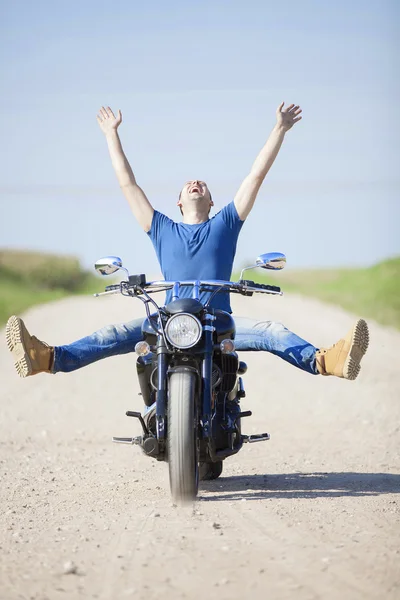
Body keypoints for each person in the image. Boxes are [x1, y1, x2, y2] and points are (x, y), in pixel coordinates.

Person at [6, 103, 369, 380]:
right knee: (112, 332)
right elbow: (128, 185)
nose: (196, 182)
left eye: (204, 185)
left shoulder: (226, 223)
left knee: (274, 331)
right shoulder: (161, 227)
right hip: (169, 320)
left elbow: (255, 176)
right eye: (188, 184)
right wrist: (110, 134)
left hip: (220, 321)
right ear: (178, 201)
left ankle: (327, 360)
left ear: (211, 201)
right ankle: (46, 358)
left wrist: (279, 129)